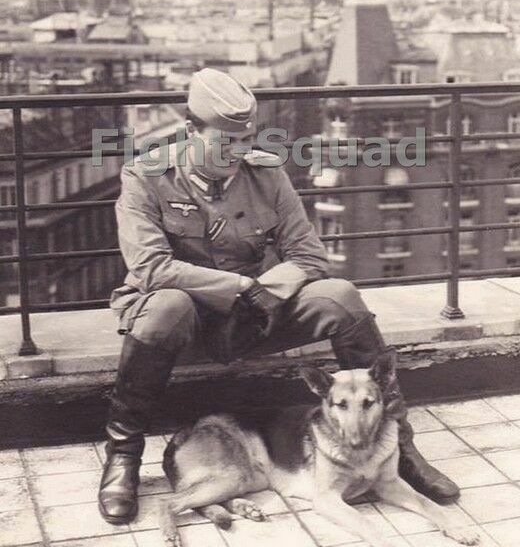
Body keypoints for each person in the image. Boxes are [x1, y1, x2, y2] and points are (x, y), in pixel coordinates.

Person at [98, 67, 459, 525]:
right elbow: (150, 267)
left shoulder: (266, 172)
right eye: (225, 141)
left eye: (245, 138)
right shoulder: (147, 176)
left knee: (341, 297)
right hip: (188, 316)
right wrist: (241, 287)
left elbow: (309, 254)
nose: (238, 151)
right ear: (191, 131)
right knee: (164, 308)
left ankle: (402, 451)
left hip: (256, 312)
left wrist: (264, 291)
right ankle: (123, 457)